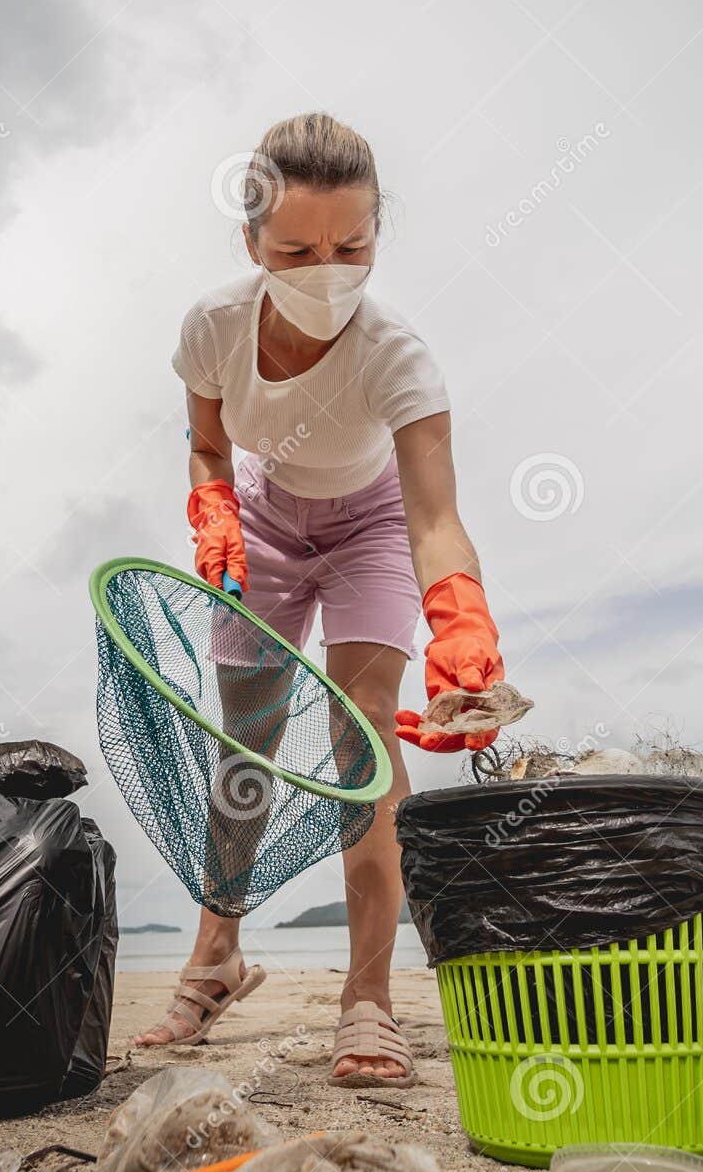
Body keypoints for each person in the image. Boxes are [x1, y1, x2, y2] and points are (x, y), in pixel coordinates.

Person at [134, 112, 511, 1086]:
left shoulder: (398, 356)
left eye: (353, 245)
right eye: (297, 249)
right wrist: (211, 500)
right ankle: (216, 954)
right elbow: (208, 439)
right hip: (261, 522)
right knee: (245, 744)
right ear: (252, 242)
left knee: (365, 740)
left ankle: (368, 998)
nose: (328, 269)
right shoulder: (213, 327)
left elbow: (433, 518)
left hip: (371, 528)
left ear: (379, 229)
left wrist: (460, 614)